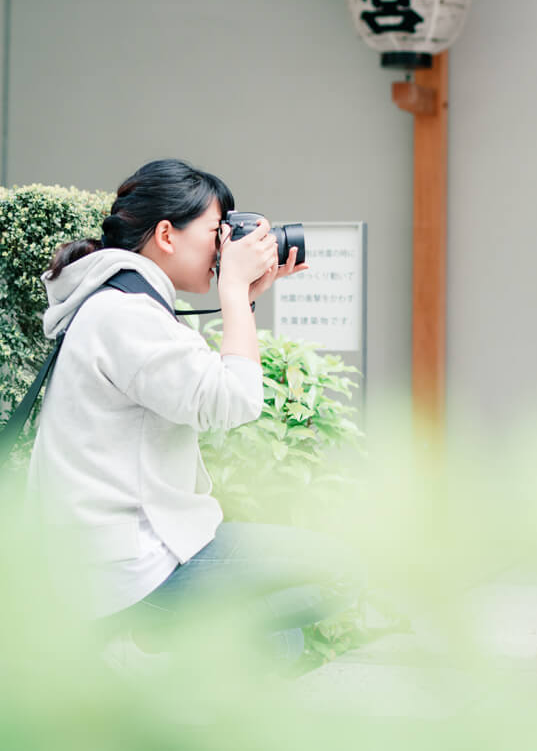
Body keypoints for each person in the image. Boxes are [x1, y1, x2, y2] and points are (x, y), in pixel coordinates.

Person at [27, 158, 363, 671]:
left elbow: (204, 384)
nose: (223, 247)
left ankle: (177, 668)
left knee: (280, 642)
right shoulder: (125, 315)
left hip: (117, 553)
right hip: (130, 567)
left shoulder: (120, 304)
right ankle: (152, 645)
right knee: (343, 574)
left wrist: (244, 298)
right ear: (167, 234)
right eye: (215, 231)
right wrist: (233, 292)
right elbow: (234, 401)